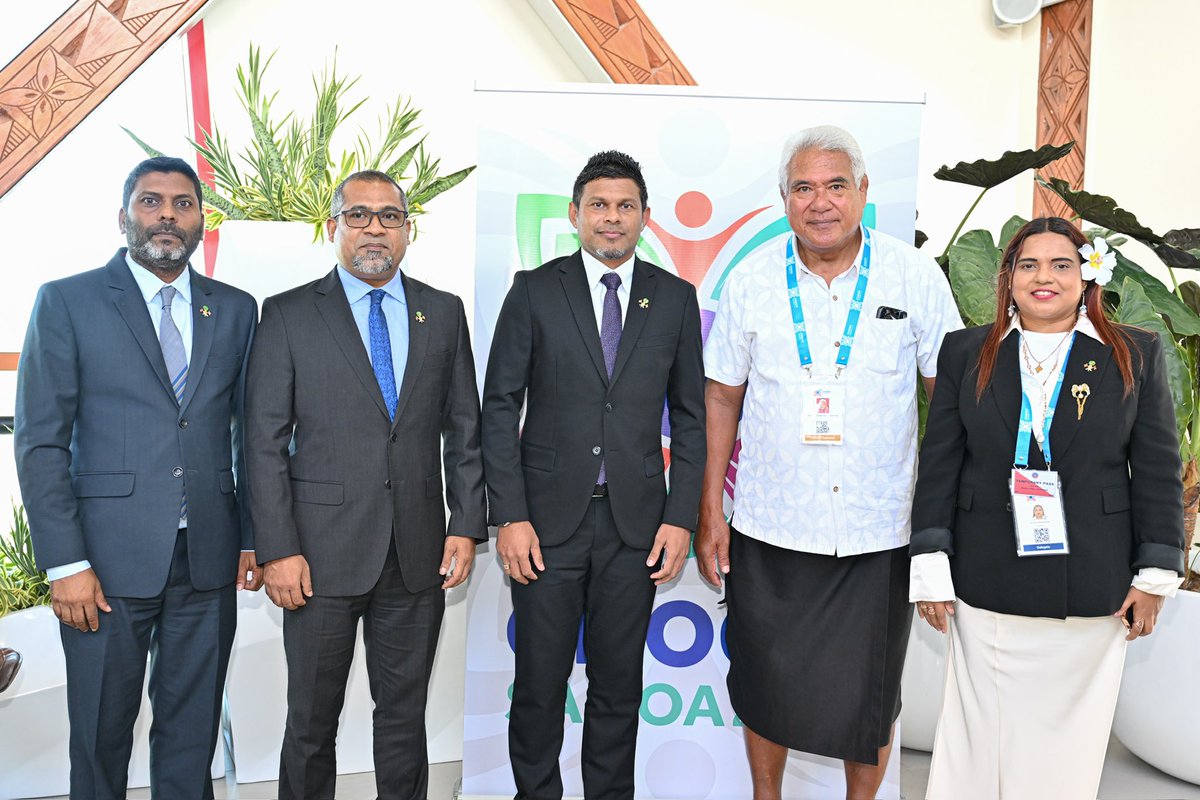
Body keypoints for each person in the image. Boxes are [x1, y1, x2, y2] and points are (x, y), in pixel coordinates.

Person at [697, 125, 961, 800]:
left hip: (878, 528)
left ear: (863, 192)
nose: (821, 202)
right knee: (764, 683)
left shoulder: (914, 276)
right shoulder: (753, 282)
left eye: (836, 185)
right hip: (769, 524)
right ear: (784, 200)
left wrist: (944, 522)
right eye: (804, 188)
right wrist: (709, 515)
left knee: (869, 696)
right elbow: (721, 398)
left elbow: (952, 402)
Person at [910, 216, 1185, 800]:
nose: (1044, 278)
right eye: (1028, 265)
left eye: (1062, 265)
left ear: (1087, 275)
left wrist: (1156, 572)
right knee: (979, 740)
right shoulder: (967, 352)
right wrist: (930, 562)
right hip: (984, 584)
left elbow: (1158, 469)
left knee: (1065, 752)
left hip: (1093, 584)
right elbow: (940, 463)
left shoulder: (1132, 352)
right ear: (1007, 277)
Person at [15, 156, 260, 799]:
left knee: (192, 733)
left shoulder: (233, 310)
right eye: (151, 202)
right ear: (123, 215)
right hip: (103, 561)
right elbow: (40, 441)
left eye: (183, 204)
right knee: (100, 734)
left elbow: (250, 433)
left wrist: (250, 537)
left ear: (202, 219)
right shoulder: (67, 301)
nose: (168, 216)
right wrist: (64, 561)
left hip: (206, 557)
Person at [245, 170, 486, 800]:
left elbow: (465, 429)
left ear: (407, 229)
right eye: (358, 215)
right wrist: (277, 548)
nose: (373, 228)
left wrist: (465, 524)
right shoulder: (290, 313)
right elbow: (262, 442)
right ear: (334, 227)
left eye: (388, 216)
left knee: (404, 721)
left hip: (416, 554)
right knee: (310, 726)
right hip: (317, 557)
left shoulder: (444, 311)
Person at [482, 150, 705, 799]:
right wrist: (510, 515)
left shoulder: (673, 299)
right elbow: (499, 408)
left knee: (617, 689)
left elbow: (691, 419)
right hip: (545, 524)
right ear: (576, 213)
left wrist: (680, 516)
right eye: (600, 205)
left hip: (635, 526)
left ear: (645, 217)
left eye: (626, 206)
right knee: (540, 687)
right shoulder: (534, 290)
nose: (612, 218)